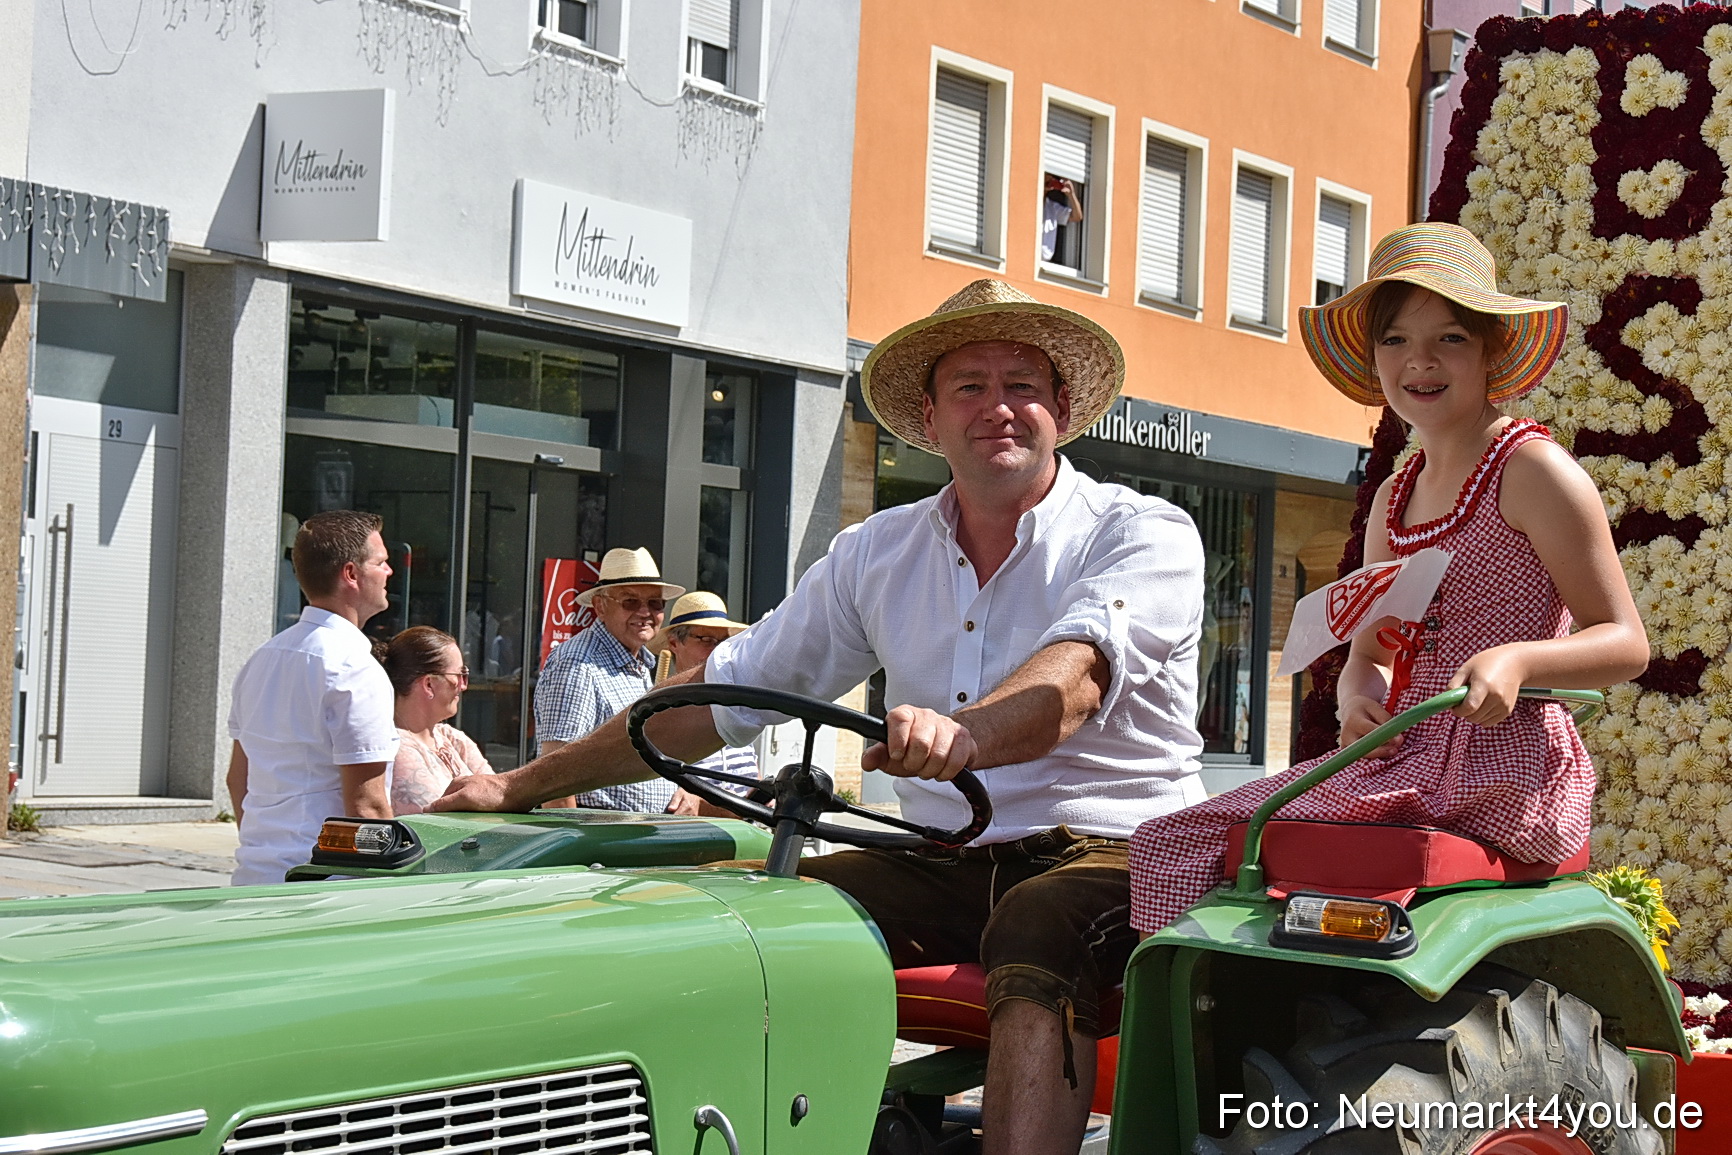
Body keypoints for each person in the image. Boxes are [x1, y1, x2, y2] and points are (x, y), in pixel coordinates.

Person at [434, 278, 1208, 1155]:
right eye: (971, 385)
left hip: (1117, 854)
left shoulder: (1143, 533)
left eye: (1022, 384)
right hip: (954, 858)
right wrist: (518, 783)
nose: (999, 406)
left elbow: (1075, 678)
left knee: (1039, 923)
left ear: (1061, 409)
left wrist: (966, 736)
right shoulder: (877, 551)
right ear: (931, 413)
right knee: (759, 916)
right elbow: (719, 696)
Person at [1128, 223, 1650, 935]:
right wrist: (1356, 699)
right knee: (1170, 840)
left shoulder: (1533, 471)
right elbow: (1370, 653)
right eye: (1397, 340)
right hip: (1405, 760)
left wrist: (1517, 659)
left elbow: (1626, 641)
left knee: (1225, 839)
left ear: (1493, 349)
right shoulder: (1392, 500)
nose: (1420, 362)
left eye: (1451, 339)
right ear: (1375, 357)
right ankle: (1201, 1021)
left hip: (1505, 767)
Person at [227, 510, 400, 886]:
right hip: (325, 887)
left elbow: (237, 779)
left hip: (256, 877)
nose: (389, 572)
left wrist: (267, 852)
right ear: (351, 574)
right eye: (381, 562)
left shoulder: (263, 658)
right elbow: (367, 807)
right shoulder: (355, 668)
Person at [534, 547, 692, 814]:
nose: (645, 612)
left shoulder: (639, 662)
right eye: (630, 601)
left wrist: (677, 790)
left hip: (634, 833)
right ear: (600, 606)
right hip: (600, 837)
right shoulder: (577, 664)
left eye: (655, 603)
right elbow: (554, 775)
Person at [375, 625, 493, 815]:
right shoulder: (396, 746)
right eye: (459, 675)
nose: (463, 686)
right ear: (429, 684)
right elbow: (439, 818)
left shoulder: (451, 737)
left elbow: (498, 792)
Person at [652, 591, 757, 793]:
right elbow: (668, 797)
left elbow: (751, 772)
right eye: (706, 639)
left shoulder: (737, 703)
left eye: (724, 641)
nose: (718, 650)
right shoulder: (664, 711)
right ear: (674, 643)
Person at [1041, 175, 1084, 264]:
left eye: (1052, 178)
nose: (1049, 180)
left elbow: (1076, 216)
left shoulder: (1052, 208)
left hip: (1044, 261)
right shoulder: (1029, 201)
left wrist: (1071, 194)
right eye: (1046, 176)